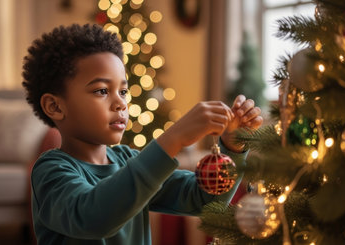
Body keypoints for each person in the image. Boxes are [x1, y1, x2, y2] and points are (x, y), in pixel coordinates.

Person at [22, 23, 263, 245]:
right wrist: (174, 137)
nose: (120, 103)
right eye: (102, 90)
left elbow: (204, 200)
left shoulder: (128, 161)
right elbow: (94, 216)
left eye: (123, 91)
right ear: (55, 106)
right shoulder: (51, 171)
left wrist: (233, 146)